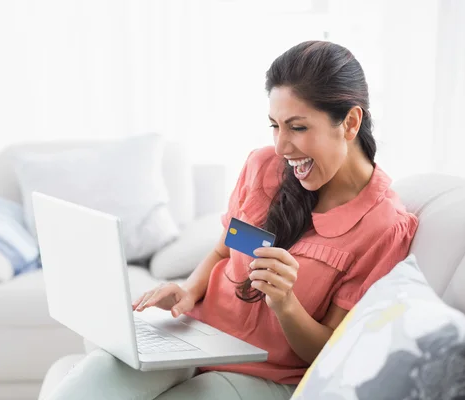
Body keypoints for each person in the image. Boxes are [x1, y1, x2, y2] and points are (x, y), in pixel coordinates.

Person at [46, 40, 419, 400]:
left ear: (351, 122)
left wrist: (285, 303)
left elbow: (332, 354)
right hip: (198, 338)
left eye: (298, 127)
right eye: (275, 125)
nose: (281, 147)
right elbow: (223, 252)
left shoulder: (384, 228)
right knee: (94, 379)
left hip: (267, 373)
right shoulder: (263, 168)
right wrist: (188, 290)